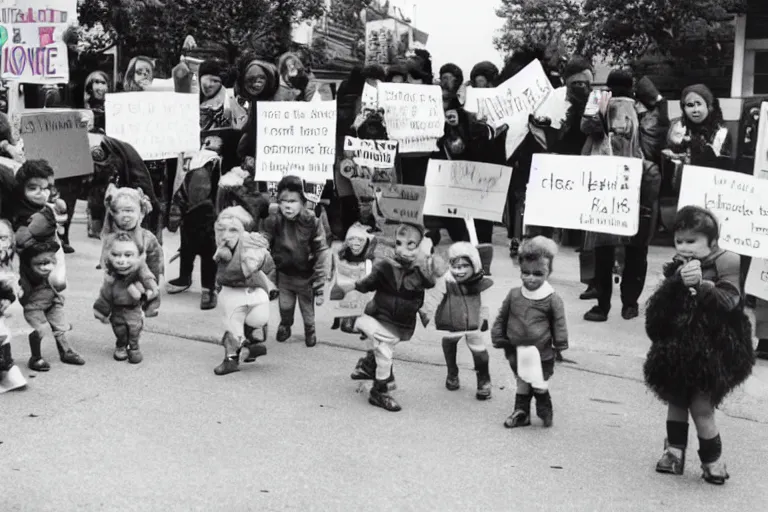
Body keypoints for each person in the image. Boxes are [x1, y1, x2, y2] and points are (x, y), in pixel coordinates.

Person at [644, 206, 754, 485]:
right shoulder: (676, 267)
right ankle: (673, 453)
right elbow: (659, 309)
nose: (684, 247)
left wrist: (703, 285)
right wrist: (674, 283)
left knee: (701, 406)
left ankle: (712, 460)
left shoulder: (726, 262)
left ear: (712, 241)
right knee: (676, 399)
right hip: (678, 348)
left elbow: (731, 302)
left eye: (691, 241)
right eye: (679, 240)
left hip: (714, 352)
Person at [338, 222, 442, 412]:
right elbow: (367, 284)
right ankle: (379, 391)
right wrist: (349, 286)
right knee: (384, 352)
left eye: (411, 245)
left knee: (384, 347)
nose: (403, 250)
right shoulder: (386, 265)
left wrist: (422, 258)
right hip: (380, 315)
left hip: (403, 323)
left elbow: (430, 282)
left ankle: (369, 363)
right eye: (399, 243)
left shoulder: (421, 270)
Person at [580, 70, 656, 323]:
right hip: (631, 185)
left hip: (610, 184)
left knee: (605, 248)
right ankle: (628, 303)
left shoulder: (613, 107)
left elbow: (586, 130)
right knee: (633, 249)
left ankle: (605, 305)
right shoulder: (640, 110)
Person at [492, 236, 567, 428]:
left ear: (548, 272)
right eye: (526, 272)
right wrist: (498, 334)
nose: (531, 278)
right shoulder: (514, 294)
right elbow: (503, 315)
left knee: (538, 382)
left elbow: (559, 323)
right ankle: (521, 412)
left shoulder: (552, 299)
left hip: (541, 351)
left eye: (538, 273)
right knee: (522, 380)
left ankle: (544, 407)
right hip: (516, 349)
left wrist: (560, 344)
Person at [260, 176, 329, 348]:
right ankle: (285, 325)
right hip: (284, 276)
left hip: (306, 277)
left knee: (307, 310)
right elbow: (264, 240)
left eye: (293, 201)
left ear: (303, 203)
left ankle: (310, 330)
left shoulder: (312, 222)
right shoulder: (273, 220)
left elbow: (321, 250)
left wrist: (320, 279)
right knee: (285, 306)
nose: (288, 206)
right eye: (283, 201)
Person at [419, 242, 494, 400]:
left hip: (473, 321)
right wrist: (427, 312)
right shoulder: (446, 280)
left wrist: (484, 317)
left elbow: (485, 301)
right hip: (450, 319)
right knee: (449, 342)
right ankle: (452, 373)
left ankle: (483, 380)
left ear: (474, 264)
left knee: (479, 350)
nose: (459, 271)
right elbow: (435, 294)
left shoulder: (481, 282)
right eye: (456, 266)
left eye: (464, 266)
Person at [211, 207, 277, 376]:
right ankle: (231, 359)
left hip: (255, 292)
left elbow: (269, 266)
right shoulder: (222, 249)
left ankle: (252, 341)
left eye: (233, 230)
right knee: (233, 328)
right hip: (233, 293)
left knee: (257, 319)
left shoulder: (252, 246)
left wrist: (258, 259)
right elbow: (225, 274)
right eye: (221, 230)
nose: (226, 235)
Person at [15, 225, 84, 372]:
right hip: (34, 305)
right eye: (41, 264)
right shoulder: (27, 277)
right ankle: (36, 357)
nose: (47, 267)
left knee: (61, 327)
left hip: (52, 301)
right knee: (40, 329)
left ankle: (65, 351)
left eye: (50, 263)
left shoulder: (51, 274)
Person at [93, 232, 159, 364]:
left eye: (128, 255)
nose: (122, 260)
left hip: (133, 308)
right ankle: (121, 345)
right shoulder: (111, 277)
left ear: (138, 256)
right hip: (117, 309)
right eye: (116, 255)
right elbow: (105, 294)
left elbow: (148, 280)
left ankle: (134, 347)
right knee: (120, 329)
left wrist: (151, 291)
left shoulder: (139, 270)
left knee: (135, 329)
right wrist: (101, 311)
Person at [167, 149, 220, 310]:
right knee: (206, 256)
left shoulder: (194, 175)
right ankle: (206, 289)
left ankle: (194, 283)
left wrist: (173, 223)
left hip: (195, 223)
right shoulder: (202, 175)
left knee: (191, 253)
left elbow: (178, 201)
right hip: (202, 222)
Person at [100, 184, 164, 317]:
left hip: (143, 274)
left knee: (149, 289)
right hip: (120, 276)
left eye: (130, 211)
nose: (126, 216)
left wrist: (152, 280)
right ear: (113, 213)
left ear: (140, 212)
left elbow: (155, 262)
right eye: (121, 211)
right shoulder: (111, 238)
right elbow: (105, 259)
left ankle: (149, 305)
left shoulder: (146, 237)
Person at [665, 84, 732, 170]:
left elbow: (720, 164)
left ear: (709, 106)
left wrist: (695, 143)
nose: (695, 110)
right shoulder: (678, 126)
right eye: (690, 105)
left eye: (699, 104)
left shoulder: (721, 132)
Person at [329, 222, 376, 334]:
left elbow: (369, 274)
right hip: (345, 280)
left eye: (359, 241)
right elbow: (335, 266)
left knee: (358, 297)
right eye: (352, 240)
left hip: (357, 283)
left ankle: (354, 321)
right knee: (339, 292)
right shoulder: (341, 252)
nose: (355, 244)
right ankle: (340, 318)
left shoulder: (368, 257)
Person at [235, 52, 279, 165]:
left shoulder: (277, 99)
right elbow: (249, 129)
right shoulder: (252, 101)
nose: (257, 83)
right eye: (251, 79)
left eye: (261, 78)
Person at [0, 219, 25, 393]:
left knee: (3, 334)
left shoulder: (5, 266)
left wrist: (8, 298)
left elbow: (8, 290)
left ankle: (6, 368)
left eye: (3, 239)